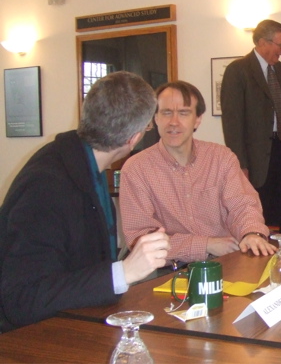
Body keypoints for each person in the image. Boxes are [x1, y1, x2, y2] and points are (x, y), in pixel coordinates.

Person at [0, 71, 170, 331]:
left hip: (75, 325)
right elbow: (22, 299)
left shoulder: (78, 161)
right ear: (133, 138)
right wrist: (123, 272)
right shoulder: (46, 186)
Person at [120, 80, 275, 262]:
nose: (173, 122)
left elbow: (242, 205)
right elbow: (141, 238)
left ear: (198, 119)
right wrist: (206, 244)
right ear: (155, 118)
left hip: (225, 261)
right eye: (166, 113)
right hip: (167, 270)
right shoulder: (136, 169)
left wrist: (251, 233)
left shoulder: (221, 158)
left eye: (184, 113)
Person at [220, 19, 281, 228]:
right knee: (259, 216)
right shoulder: (238, 70)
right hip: (257, 159)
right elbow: (233, 122)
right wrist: (241, 165)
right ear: (262, 42)